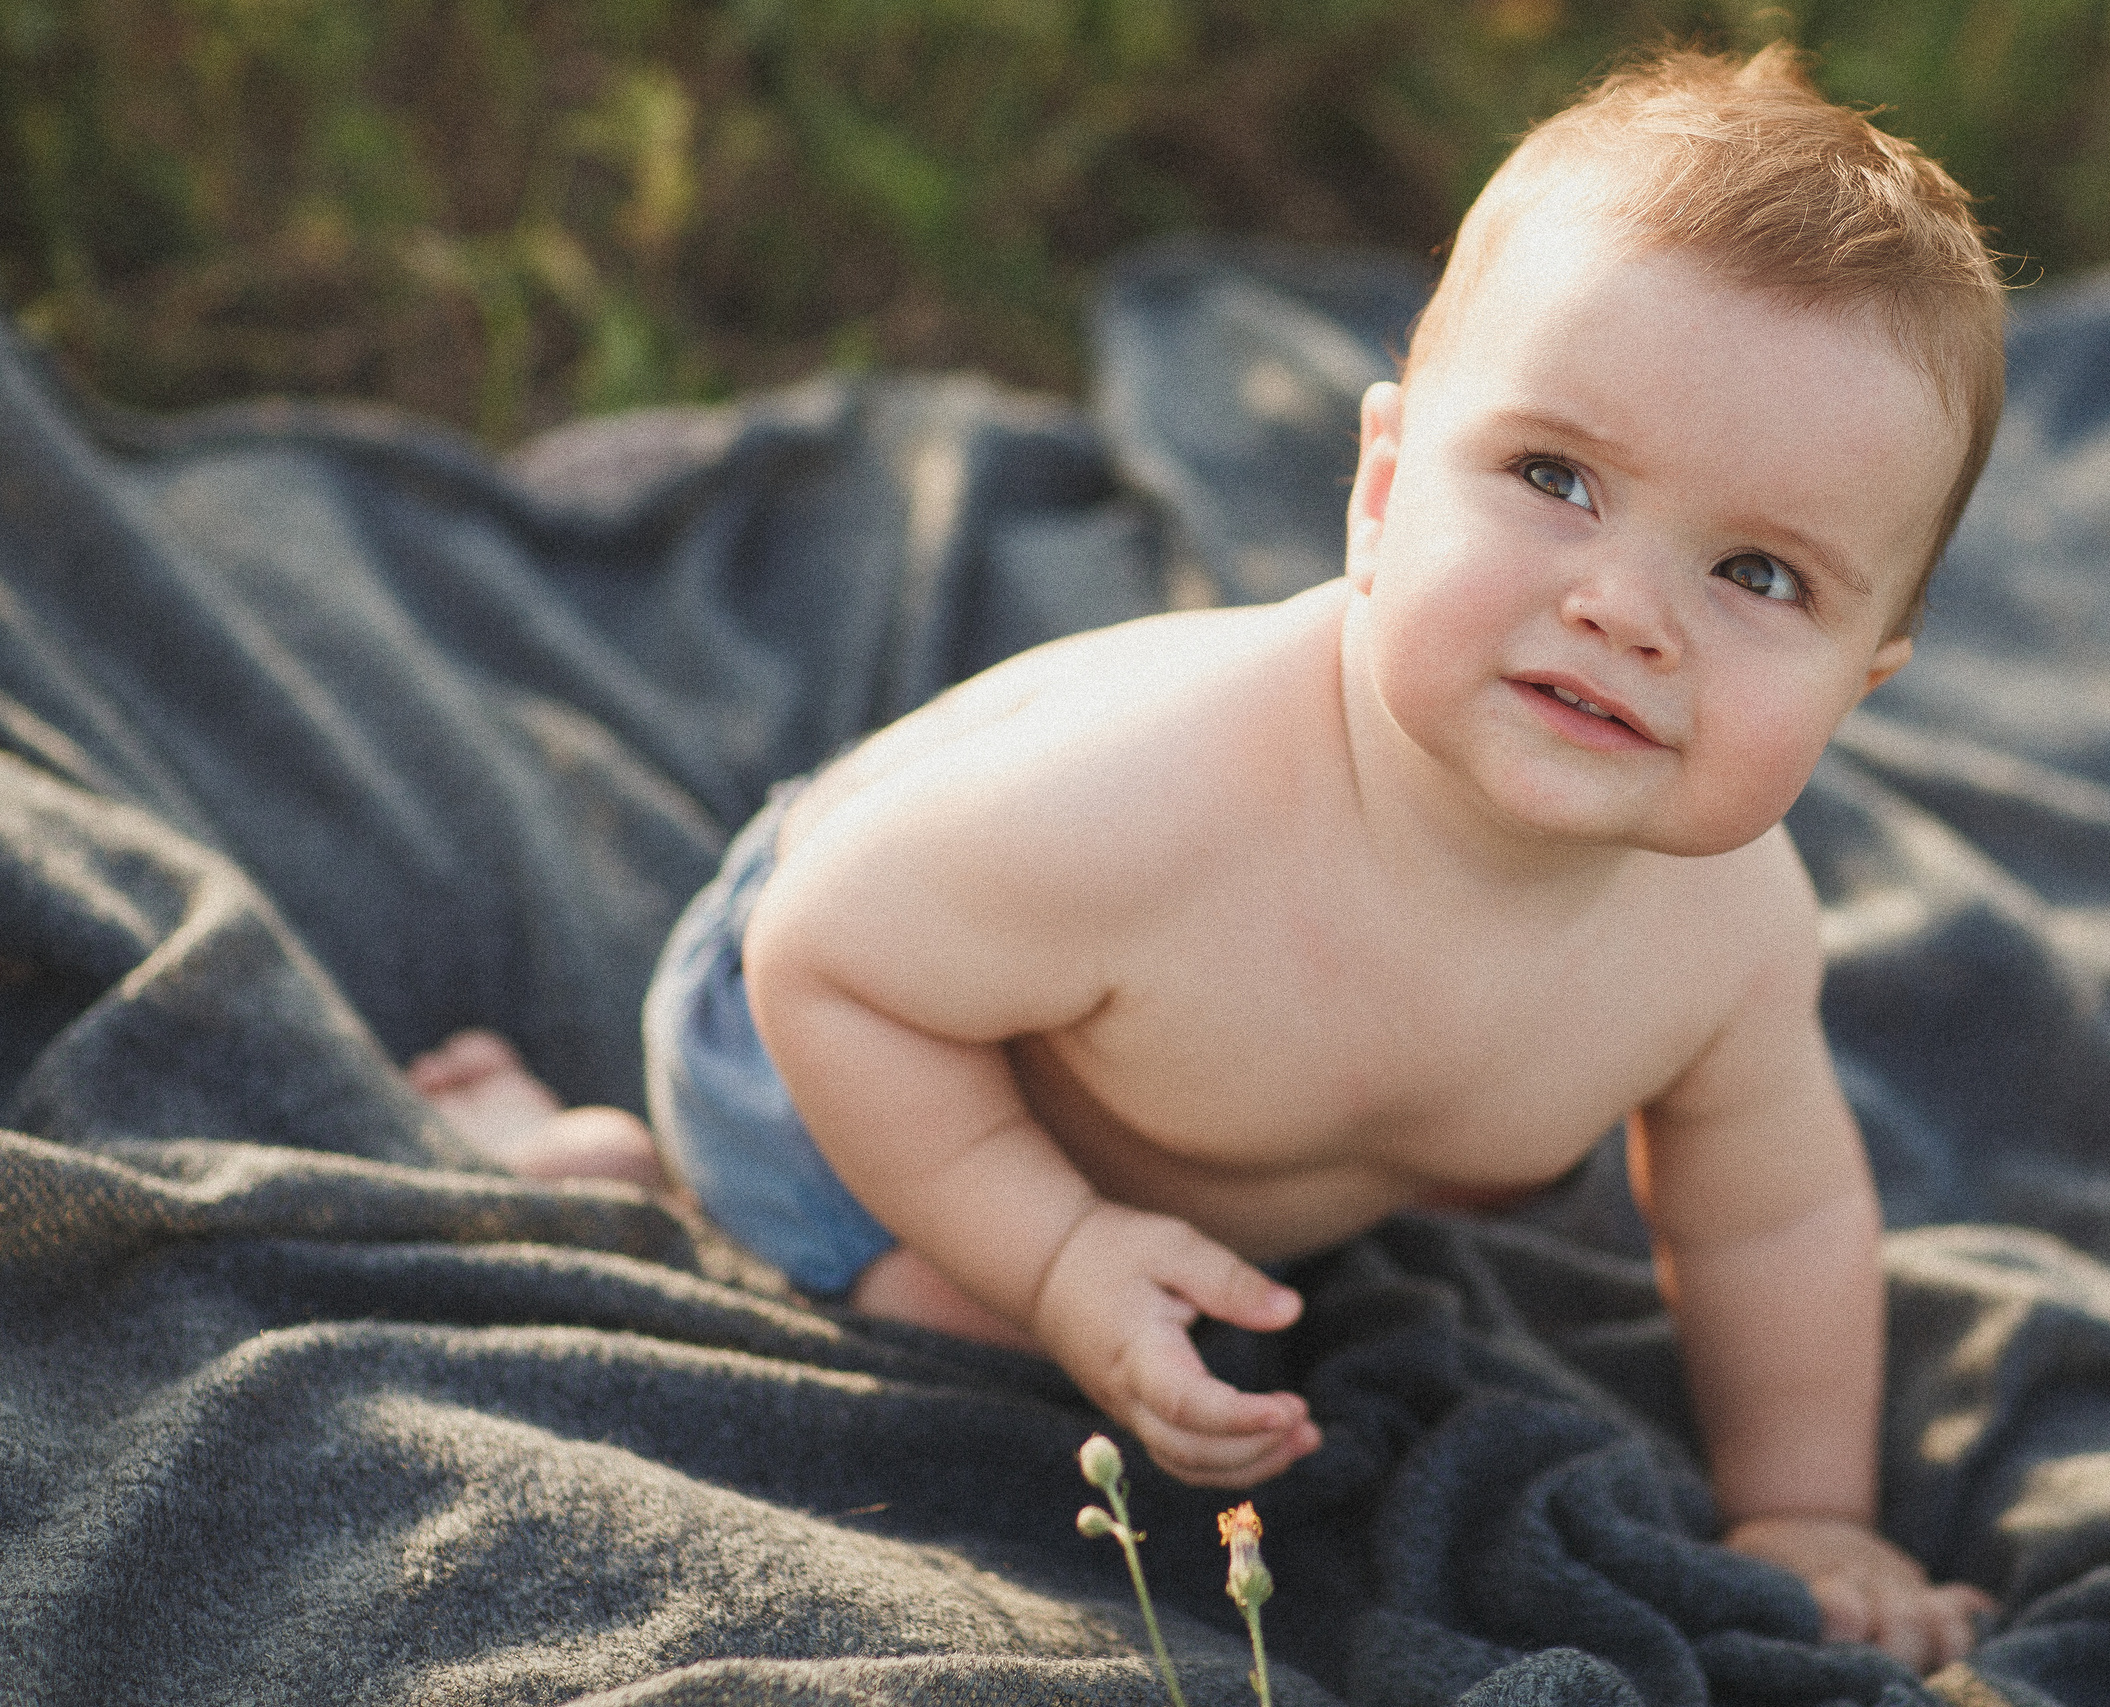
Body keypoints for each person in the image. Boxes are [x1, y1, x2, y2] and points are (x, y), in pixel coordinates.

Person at [414, 42, 2006, 1670]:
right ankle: (621, 1180)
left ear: (1865, 675)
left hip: (1092, 1068)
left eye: (1760, 574)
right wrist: (1051, 1253)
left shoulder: (1727, 936)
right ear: (1383, 493)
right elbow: (820, 953)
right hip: (857, 1032)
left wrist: (1808, 1507)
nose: (1628, 609)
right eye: (1554, 478)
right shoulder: (1156, 805)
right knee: (989, 1362)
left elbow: (1773, 1221)